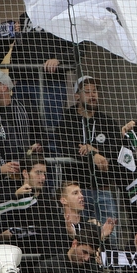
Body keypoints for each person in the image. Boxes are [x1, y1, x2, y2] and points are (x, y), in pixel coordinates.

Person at [55, 76, 121, 232]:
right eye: (87, 92)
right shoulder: (67, 120)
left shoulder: (107, 121)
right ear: (77, 96)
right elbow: (64, 146)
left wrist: (96, 150)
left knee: (110, 237)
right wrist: (92, 156)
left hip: (104, 189)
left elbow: (117, 146)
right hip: (78, 192)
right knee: (81, 235)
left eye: (95, 91)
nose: (93, 95)